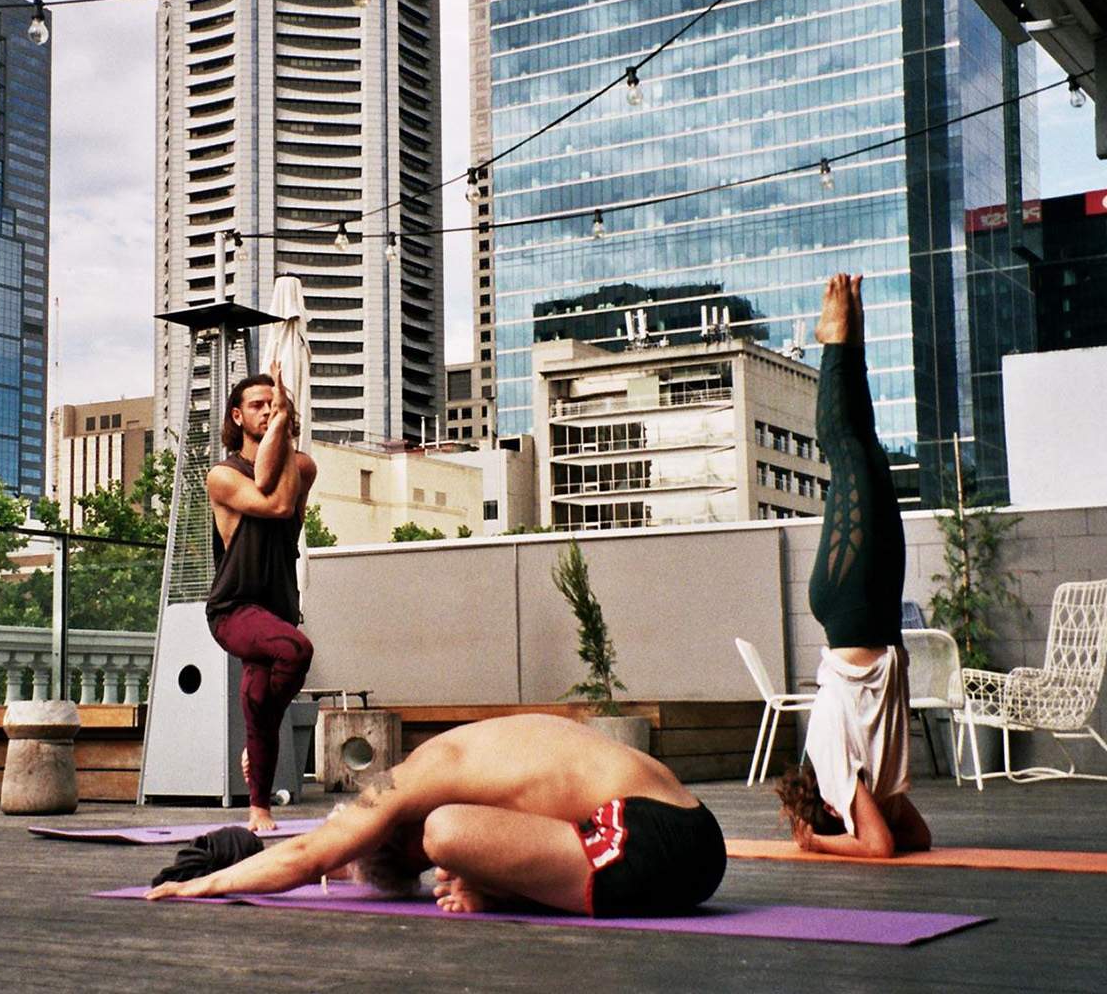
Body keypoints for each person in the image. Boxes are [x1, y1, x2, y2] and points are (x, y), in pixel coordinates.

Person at [145, 713, 726, 918]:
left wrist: (206, 884)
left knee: (448, 830)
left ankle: (499, 894)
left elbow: (311, 854)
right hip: (679, 836)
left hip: (654, 839)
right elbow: (343, 862)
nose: (432, 872)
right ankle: (500, 891)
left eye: (415, 867)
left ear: (389, 835)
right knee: (454, 837)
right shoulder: (454, 756)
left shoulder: (410, 784)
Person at [774, 273, 932, 859]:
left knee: (845, 452)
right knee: (867, 451)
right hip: (872, 612)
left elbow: (882, 847)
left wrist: (817, 842)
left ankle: (836, 339)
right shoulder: (877, 788)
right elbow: (912, 837)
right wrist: (869, 810)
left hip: (850, 606)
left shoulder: (834, 767)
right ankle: (849, 337)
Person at [206, 371, 318, 832]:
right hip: (234, 608)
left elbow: (283, 480)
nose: (267, 410)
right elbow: (273, 504)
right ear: (238, 415)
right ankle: (259, 738)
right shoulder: (223, 476)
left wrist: (282, 431)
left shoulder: (304, 467)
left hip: (277, 608)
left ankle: (259, 811)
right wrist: (281, 427)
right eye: (257, 405)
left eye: (275, 404)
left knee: (257, 700)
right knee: (295, 650)